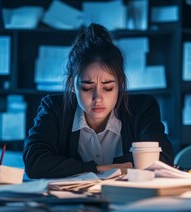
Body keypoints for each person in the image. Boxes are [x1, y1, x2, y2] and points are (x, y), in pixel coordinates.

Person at [23, 23, 174, 179]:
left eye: (108, 88)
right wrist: (100, 168)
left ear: (120, 83)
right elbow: (35, 164)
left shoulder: (142, 108)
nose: (98, 98)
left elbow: (163, 161)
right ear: (72, 85)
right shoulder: (54, 108)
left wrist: (79, 169)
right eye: (87, 88)